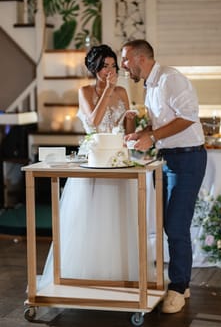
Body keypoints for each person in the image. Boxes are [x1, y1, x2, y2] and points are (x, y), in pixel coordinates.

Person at [39, 44, 154, 289]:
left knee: (118, 218)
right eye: (104, 66)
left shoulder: (123, 92)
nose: (109, 71)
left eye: (113, 66)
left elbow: (128, 132)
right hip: (94, 160)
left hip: (117, 159)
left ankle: (119, 275)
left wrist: (132, 121)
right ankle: (83, 277)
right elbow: (93, 122)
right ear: (94, 68)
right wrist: (106, 90)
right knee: (89, 219)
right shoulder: (84, 92)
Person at [121, 39, 207, 313]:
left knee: (176, 226)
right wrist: (143, 132)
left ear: (139, 58)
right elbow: (163, 122)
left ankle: (179, 287)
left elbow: (189, 116)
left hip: (189, 159)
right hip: (169, 159)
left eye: (125, 59)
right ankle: (182, 282)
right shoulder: (151, 84)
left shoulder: (171, 78)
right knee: (168, 224)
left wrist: (153, 136)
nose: (124, 65)